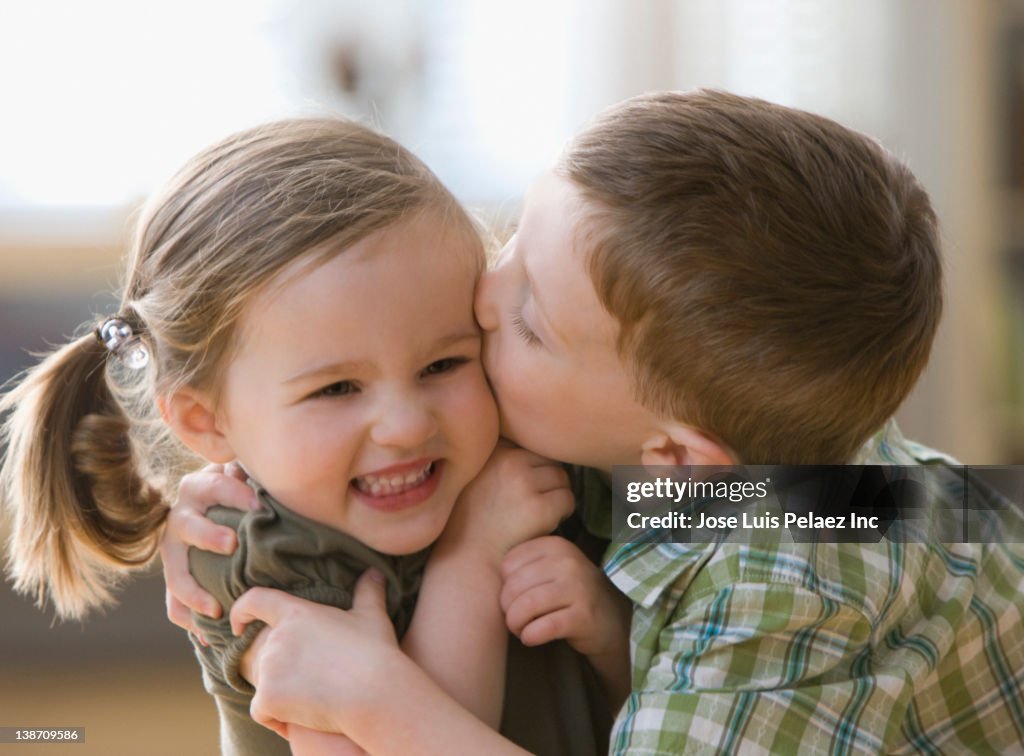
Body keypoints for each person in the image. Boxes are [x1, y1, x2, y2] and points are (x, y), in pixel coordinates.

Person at [163, 90, 1024, 753]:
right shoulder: (768, 458)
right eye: (514, 248)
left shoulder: (780, 601)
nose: (483, 299)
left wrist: (384, 702)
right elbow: (977, 509)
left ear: (677, 460)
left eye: (531, 321)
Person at [0, 118, 623, 755]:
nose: (407, 425)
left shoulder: (520, 459)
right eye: (337, 389)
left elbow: (726, 513)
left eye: (442, 365)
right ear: (205, 421)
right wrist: (474, 554)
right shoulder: (263, 562)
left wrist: (611, 633)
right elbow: (405, 734)